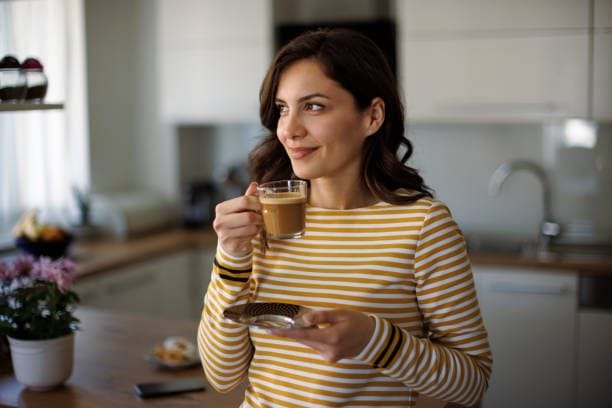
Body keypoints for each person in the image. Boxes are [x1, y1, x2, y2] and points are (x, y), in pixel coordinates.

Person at [198, 28, 492, 407]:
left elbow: (472, 384)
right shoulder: (264, 219)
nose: (288, 130)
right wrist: (230, 258)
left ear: (372, 116)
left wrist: (377, 341)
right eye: (283, 108)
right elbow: (221, 375)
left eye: (314, 106)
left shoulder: (423, 227)